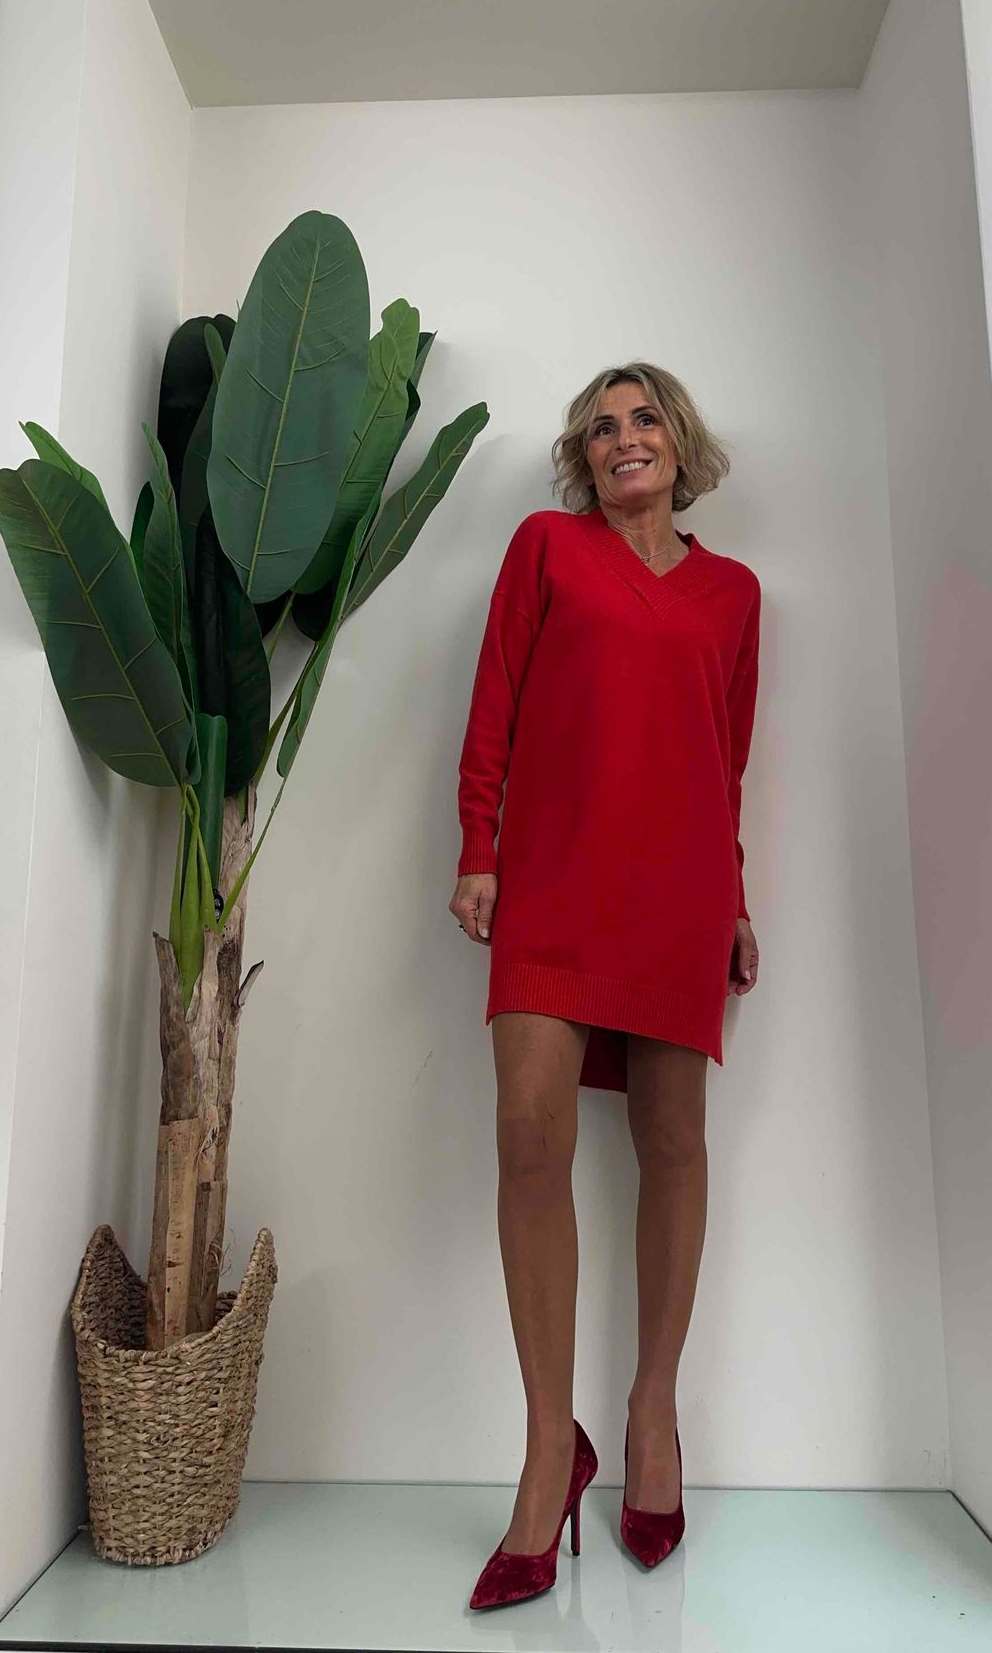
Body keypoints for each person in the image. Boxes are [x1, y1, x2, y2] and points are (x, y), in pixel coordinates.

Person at [449, 362, 762, 1611]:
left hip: (678, 895)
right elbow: (493, 704)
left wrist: (734, 897)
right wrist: (477, 847)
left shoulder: (734, 595)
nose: (620, 438)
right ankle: (546, 1450)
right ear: (581, 460)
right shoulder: (545, 549)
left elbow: (725, 759)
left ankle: (648, 1418)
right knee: (527, 1136)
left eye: (641, 419)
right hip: (552, 881)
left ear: (677, 443)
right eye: (597, 428)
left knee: (671, 1145)